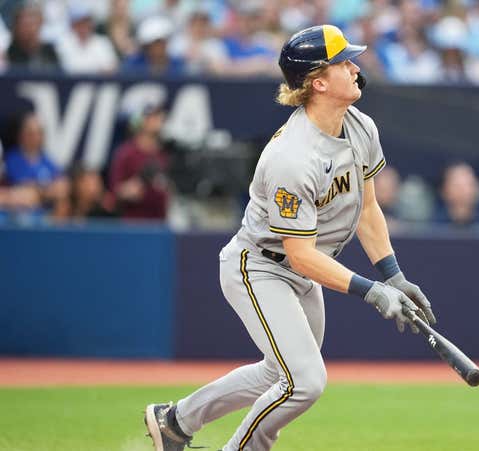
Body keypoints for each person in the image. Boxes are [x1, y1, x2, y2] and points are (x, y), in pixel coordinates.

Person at [144, 24, 435, 451]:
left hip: (303, 267)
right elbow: (299, 255)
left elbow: (368, 210)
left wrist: (393, 276)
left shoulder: (360, 127)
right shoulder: (292, 157)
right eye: (344, 62)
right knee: (305, 382)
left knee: (279, 373)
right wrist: (372, 292)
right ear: (318, 81)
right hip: (260, 266)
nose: (355, 67)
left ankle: (175, 421)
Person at [109, 102, 170, 220]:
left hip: (160, 225)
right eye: (151, 117)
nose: (156, 121)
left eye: (159, 117)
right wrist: (128, 190)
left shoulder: (164, 155)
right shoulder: (126, 153)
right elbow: (114, 193)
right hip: (134, 225)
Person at [4, 112, 69, 219]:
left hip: (46, 217)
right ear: (21, 135)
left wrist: (38, 192)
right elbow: (19, 189)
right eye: (31, 133)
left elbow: (61, 188)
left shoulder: (48, 161)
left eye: (39, 133)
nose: (36, 137)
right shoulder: (11, 159)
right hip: (16, 216)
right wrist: (45, 189)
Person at [432, 161, 479, 230]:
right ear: (444, 191)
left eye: (468, 184)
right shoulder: (435, 219)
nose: (463, 190)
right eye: (457, 185)